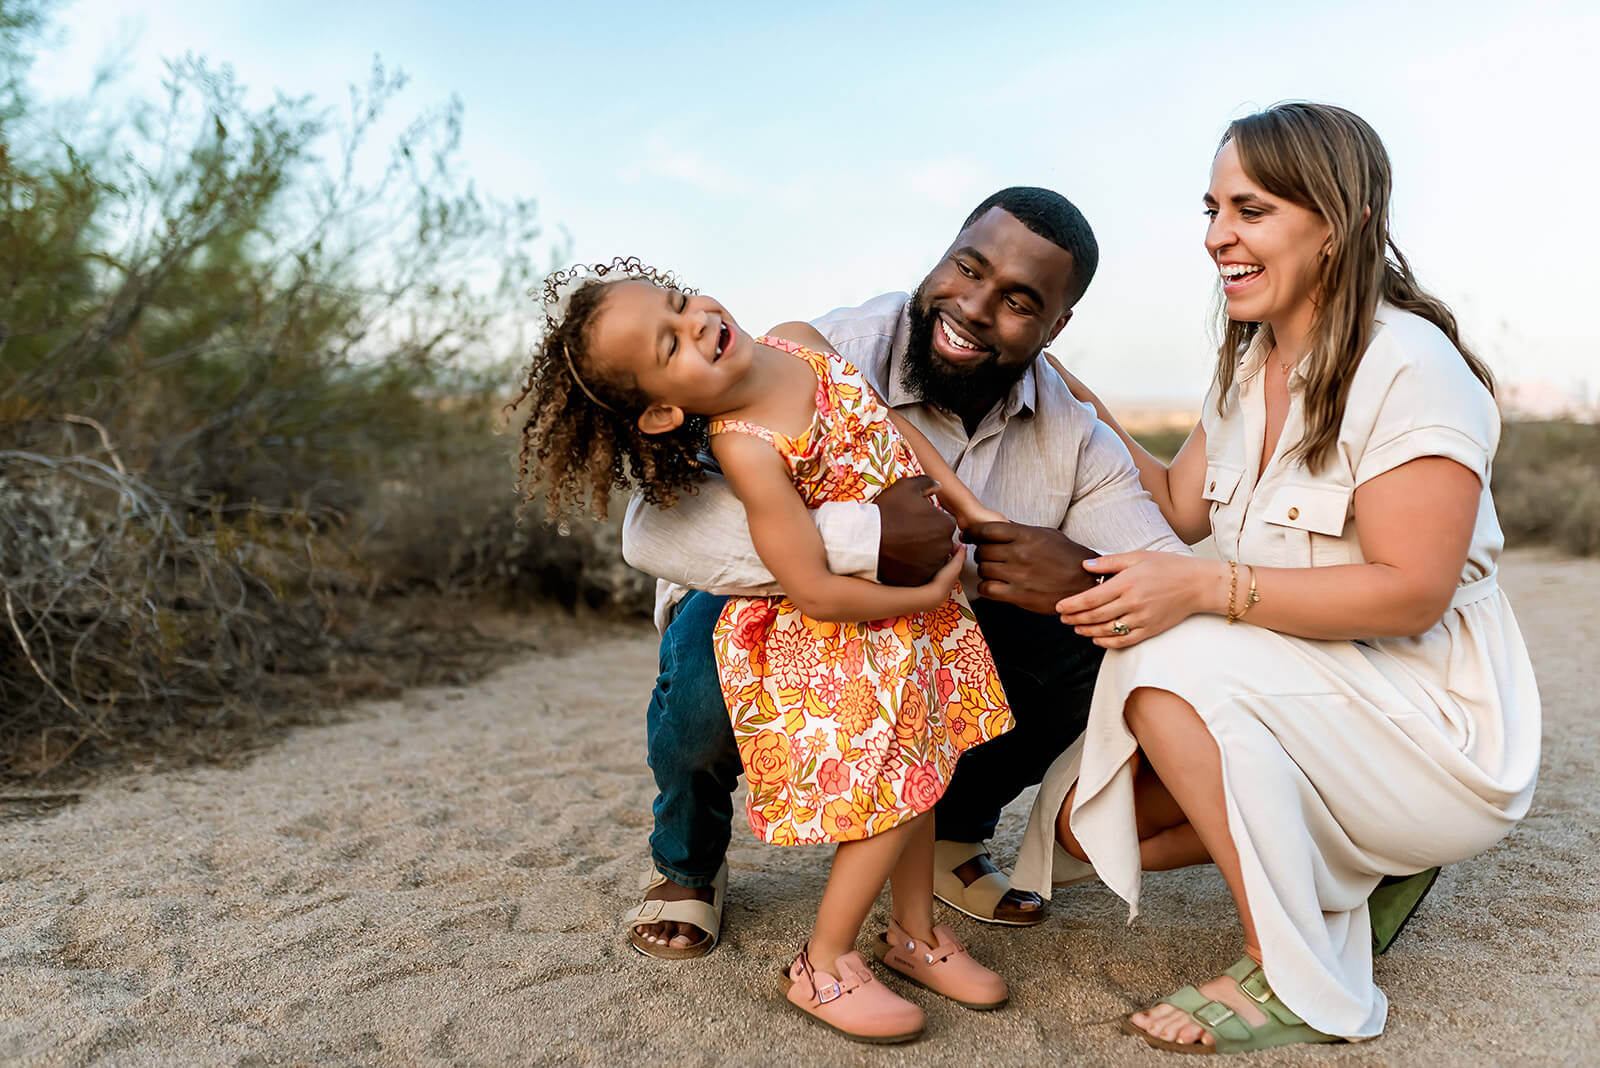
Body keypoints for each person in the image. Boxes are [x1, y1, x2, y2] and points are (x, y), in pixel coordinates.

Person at [1007, 101, 1541, 1055]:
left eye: (1249, 211)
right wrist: (1073, 400)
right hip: (1312, 690)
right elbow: (1178, 505)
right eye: (1211, 210)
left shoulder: (1411, 367)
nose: (1218, 237)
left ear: (1333, 222)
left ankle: (1293, 974)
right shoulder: (1250, 361)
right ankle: (1370, 859)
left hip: (1427, 719)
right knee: (1088, 833)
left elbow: (1412, 591)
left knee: (1171, 659)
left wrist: (1206, 591)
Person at [620, 189, 1189, 956]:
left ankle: (954, 837)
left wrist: (1087, 584)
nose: (976, 306)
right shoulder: (828, 346)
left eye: (1019, 301)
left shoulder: (1076, 440)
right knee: (704, 650)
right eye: (968, 267)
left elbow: (1164, 571)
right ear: (943, 254)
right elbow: (651, 529)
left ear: (1057, 328)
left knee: (1089, 641)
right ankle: (688, 863)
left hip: (925, 630)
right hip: (779, 605)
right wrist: (871, 537)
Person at [512, 259, 1019, 1043]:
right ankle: (821, 963)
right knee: (894, 797)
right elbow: (811, 589)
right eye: (669, 345)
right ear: (660, 412)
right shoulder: (746, 449)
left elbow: (895, 430)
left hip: (915, 622)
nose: (697, 323)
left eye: (681, 304)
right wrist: (917, 598)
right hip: (850, 639)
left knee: (932, 766)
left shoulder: (798, 341)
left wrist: (971, 509)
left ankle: (915, 937)